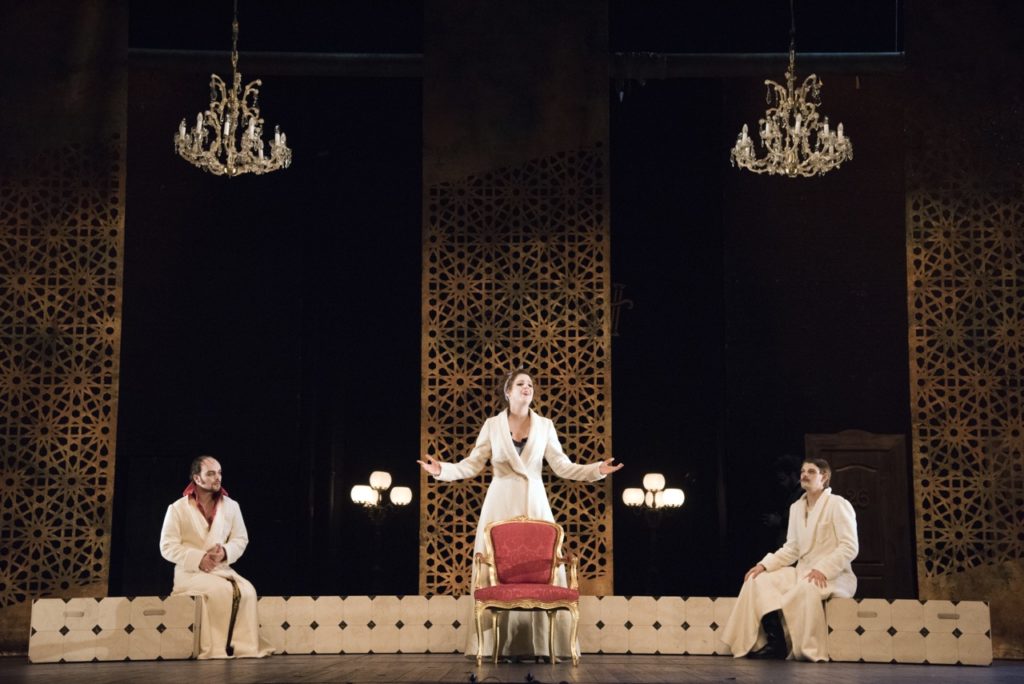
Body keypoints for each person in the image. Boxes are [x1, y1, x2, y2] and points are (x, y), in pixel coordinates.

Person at [418, 369, 623, 662]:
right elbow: (473, 464)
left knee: (541, 569)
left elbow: (562, 465)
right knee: (494, 570)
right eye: (520, 384)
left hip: (535, 503)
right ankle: (493, 647)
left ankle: (544, 646)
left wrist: (596, 470)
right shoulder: (492, 425)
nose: (527, 387)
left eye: (530, 384)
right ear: (508, 391)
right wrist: (442, 470)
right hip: (499, 503)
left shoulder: (545, 426)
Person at [721, 458, 858, 662]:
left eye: (811, 471)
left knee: (805, 587)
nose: (804, 475)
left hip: (832, 575)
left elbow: (849, 546)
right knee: (757, 580)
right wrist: (763, 565)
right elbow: (792, 549)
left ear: (824, 477)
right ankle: (772, 642)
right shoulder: (796, 508)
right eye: (803, 471)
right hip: (802, 571)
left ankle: (803, 648)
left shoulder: (838, 504)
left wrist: (823, 569)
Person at [159, 455, 274, 659]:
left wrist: (225, 552)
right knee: (222, 591)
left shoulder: (231, 506)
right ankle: (219, 647)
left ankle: (242, 647)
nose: (217, 477)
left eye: (219, 473)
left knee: (248, 590)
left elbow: (241, 539)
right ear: (197, 478)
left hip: (220, 569)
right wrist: (198, 558)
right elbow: (167, 546)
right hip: (190, 572)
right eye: (211, 473)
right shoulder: (177, 508)